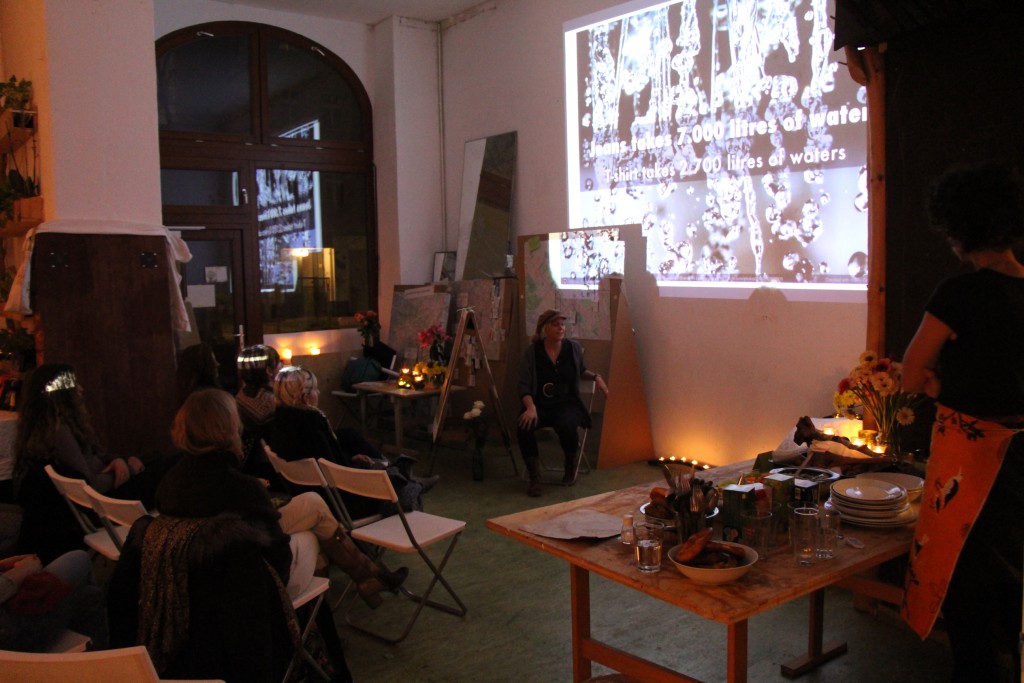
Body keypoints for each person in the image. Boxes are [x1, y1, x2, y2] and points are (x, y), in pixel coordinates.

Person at [900, 163, 1024, 683]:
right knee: (1013, 577)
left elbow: (911, 372)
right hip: (1020, 458)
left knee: (962, 577)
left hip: (969, 462)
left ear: (957, 228)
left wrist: (940, 388)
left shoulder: (959, 294)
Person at [12, 364, 174, 561]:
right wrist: (127, 469)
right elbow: (91, 484)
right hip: (111, 505)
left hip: (107, 498)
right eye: (75, 384)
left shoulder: (50, 426)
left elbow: (96, 456)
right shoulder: (59, 433)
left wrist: (117, 460)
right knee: (174, 464)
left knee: (158, 458)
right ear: (62, 392)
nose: (81, 389)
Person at [267, 366, 436, 519]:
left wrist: (350, 459)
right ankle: (411, 482)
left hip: (312, 493)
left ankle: (405, 477)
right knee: (388, 478)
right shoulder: (312, 428)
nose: (318, 393)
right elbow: (335, 471)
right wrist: (358, 466)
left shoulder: (279, 423)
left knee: (352, 439)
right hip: (345, 504)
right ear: (305, 397)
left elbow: (327, 461)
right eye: (315, 390)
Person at [517, 309, 608, 496]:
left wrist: (596, 377)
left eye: (562, 325)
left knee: (566, 423)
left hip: (567, 403)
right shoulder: (532, 352)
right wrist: (530, 407)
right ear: (545, 328)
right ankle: (535, 476)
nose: (561, 328)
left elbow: (580, 370)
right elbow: (523, 384)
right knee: (524, 424)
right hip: (540, 403)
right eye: (556, 325)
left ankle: (570, 463)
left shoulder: (573, 348)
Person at [0, 549, 107, 652]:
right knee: (80, 557)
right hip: (14, 631)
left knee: (90, 594)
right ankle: (100, 652)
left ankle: (97, 652)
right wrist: (25, 569)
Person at [234, 344, 281, 477]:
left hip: (245, 466)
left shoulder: (241, 395)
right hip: (265, 469)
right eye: (279, 363)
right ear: (269, 371)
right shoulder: (272, 402)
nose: (282, 366)